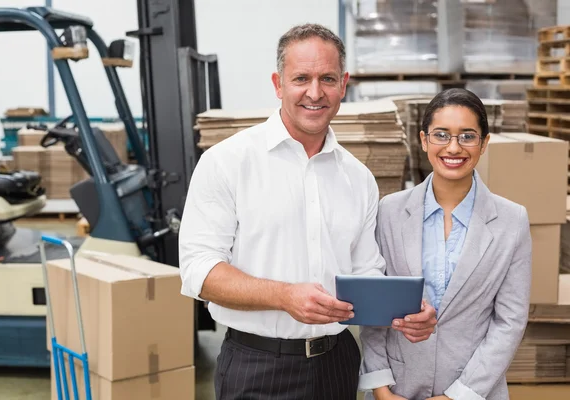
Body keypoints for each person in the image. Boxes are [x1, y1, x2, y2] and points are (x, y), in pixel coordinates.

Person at [179, 23, 437, 400]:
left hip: (337, 364)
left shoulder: (358, 178)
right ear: (278, 83)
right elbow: (199, 271)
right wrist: (283, 296)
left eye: (327, 79)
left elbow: (366, 272)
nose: (315, 93)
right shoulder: (227, 163)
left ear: (343, 84)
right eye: (301, 78)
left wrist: (409, 313)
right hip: (257, 365)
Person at [358, 88, 532, 400]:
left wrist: (460, 395)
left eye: (467, 136)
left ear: (484, 143)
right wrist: (380, 386)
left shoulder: (512, 220)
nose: (454, 147)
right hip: (398, 388)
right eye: (441, 135)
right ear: (423, 140)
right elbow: (375, 309)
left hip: (475, 390)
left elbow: (510, 321)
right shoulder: (390, 211)